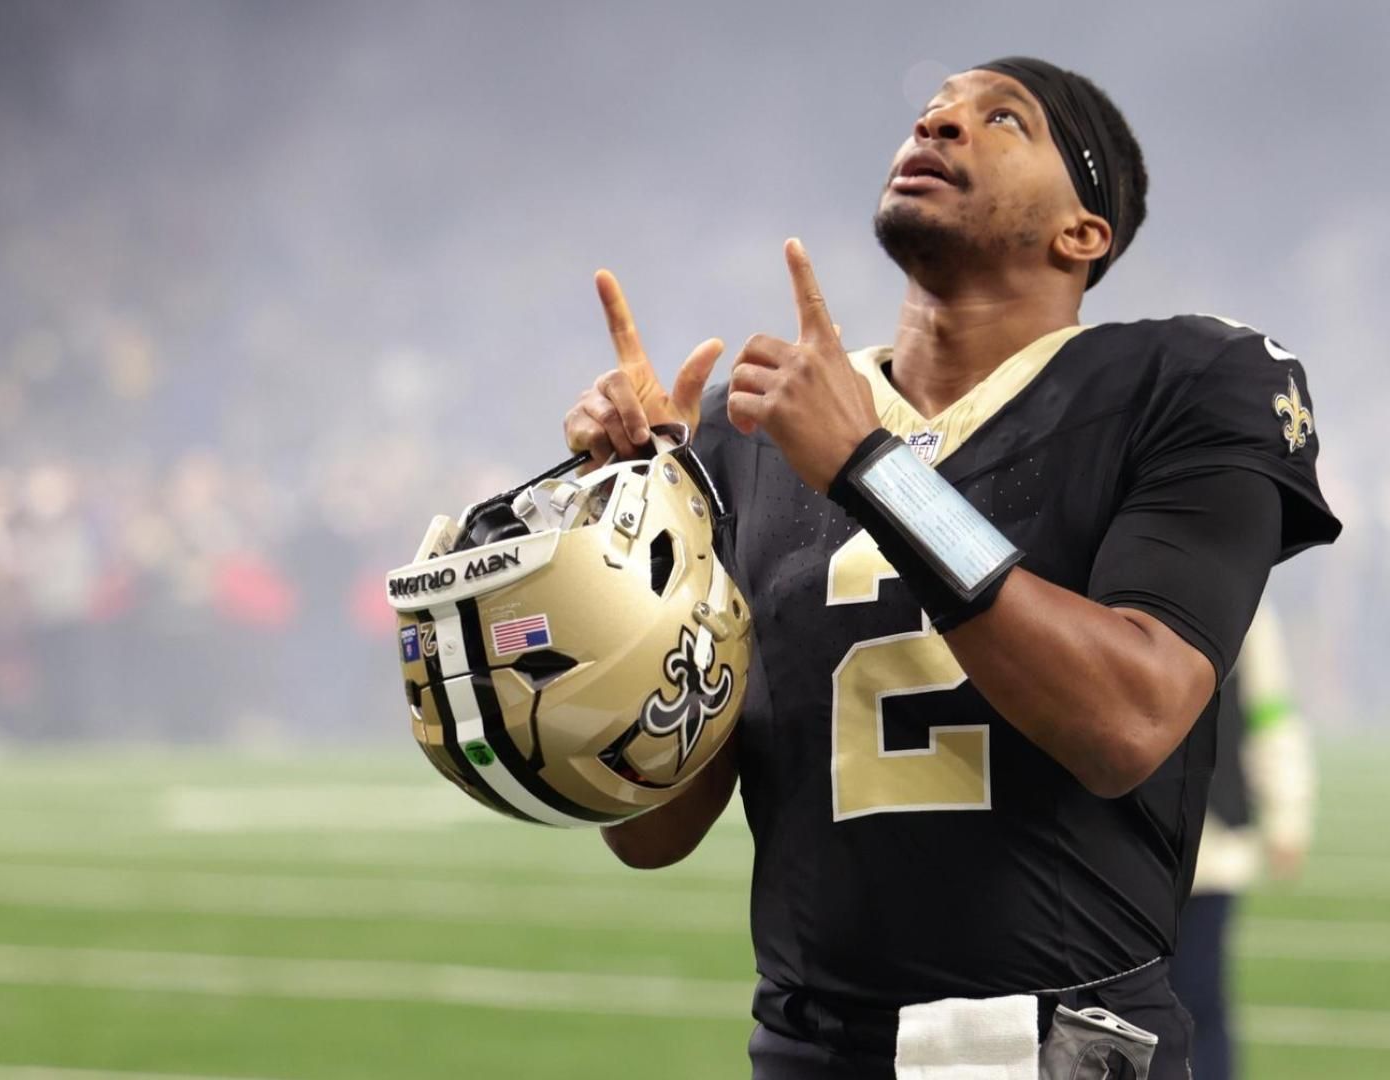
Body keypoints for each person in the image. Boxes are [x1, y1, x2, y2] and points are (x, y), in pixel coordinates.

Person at [563, 55, 1340, 1079]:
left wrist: (868, 470)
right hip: (809, 1052)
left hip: (1064, 1051)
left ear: (1083, 231)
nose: (938, 129)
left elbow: (1130, 717)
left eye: (1003, 120)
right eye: (929, 117)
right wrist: (636, 539)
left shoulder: (1184, 384)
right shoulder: (753, 436)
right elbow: (653, 832)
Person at [1168, 603, 1316, 1080]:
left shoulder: (1246, 598)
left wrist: (1289, 812)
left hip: (1213, 846)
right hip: (1124, 846)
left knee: (1200, 1001)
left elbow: (1269, 709)